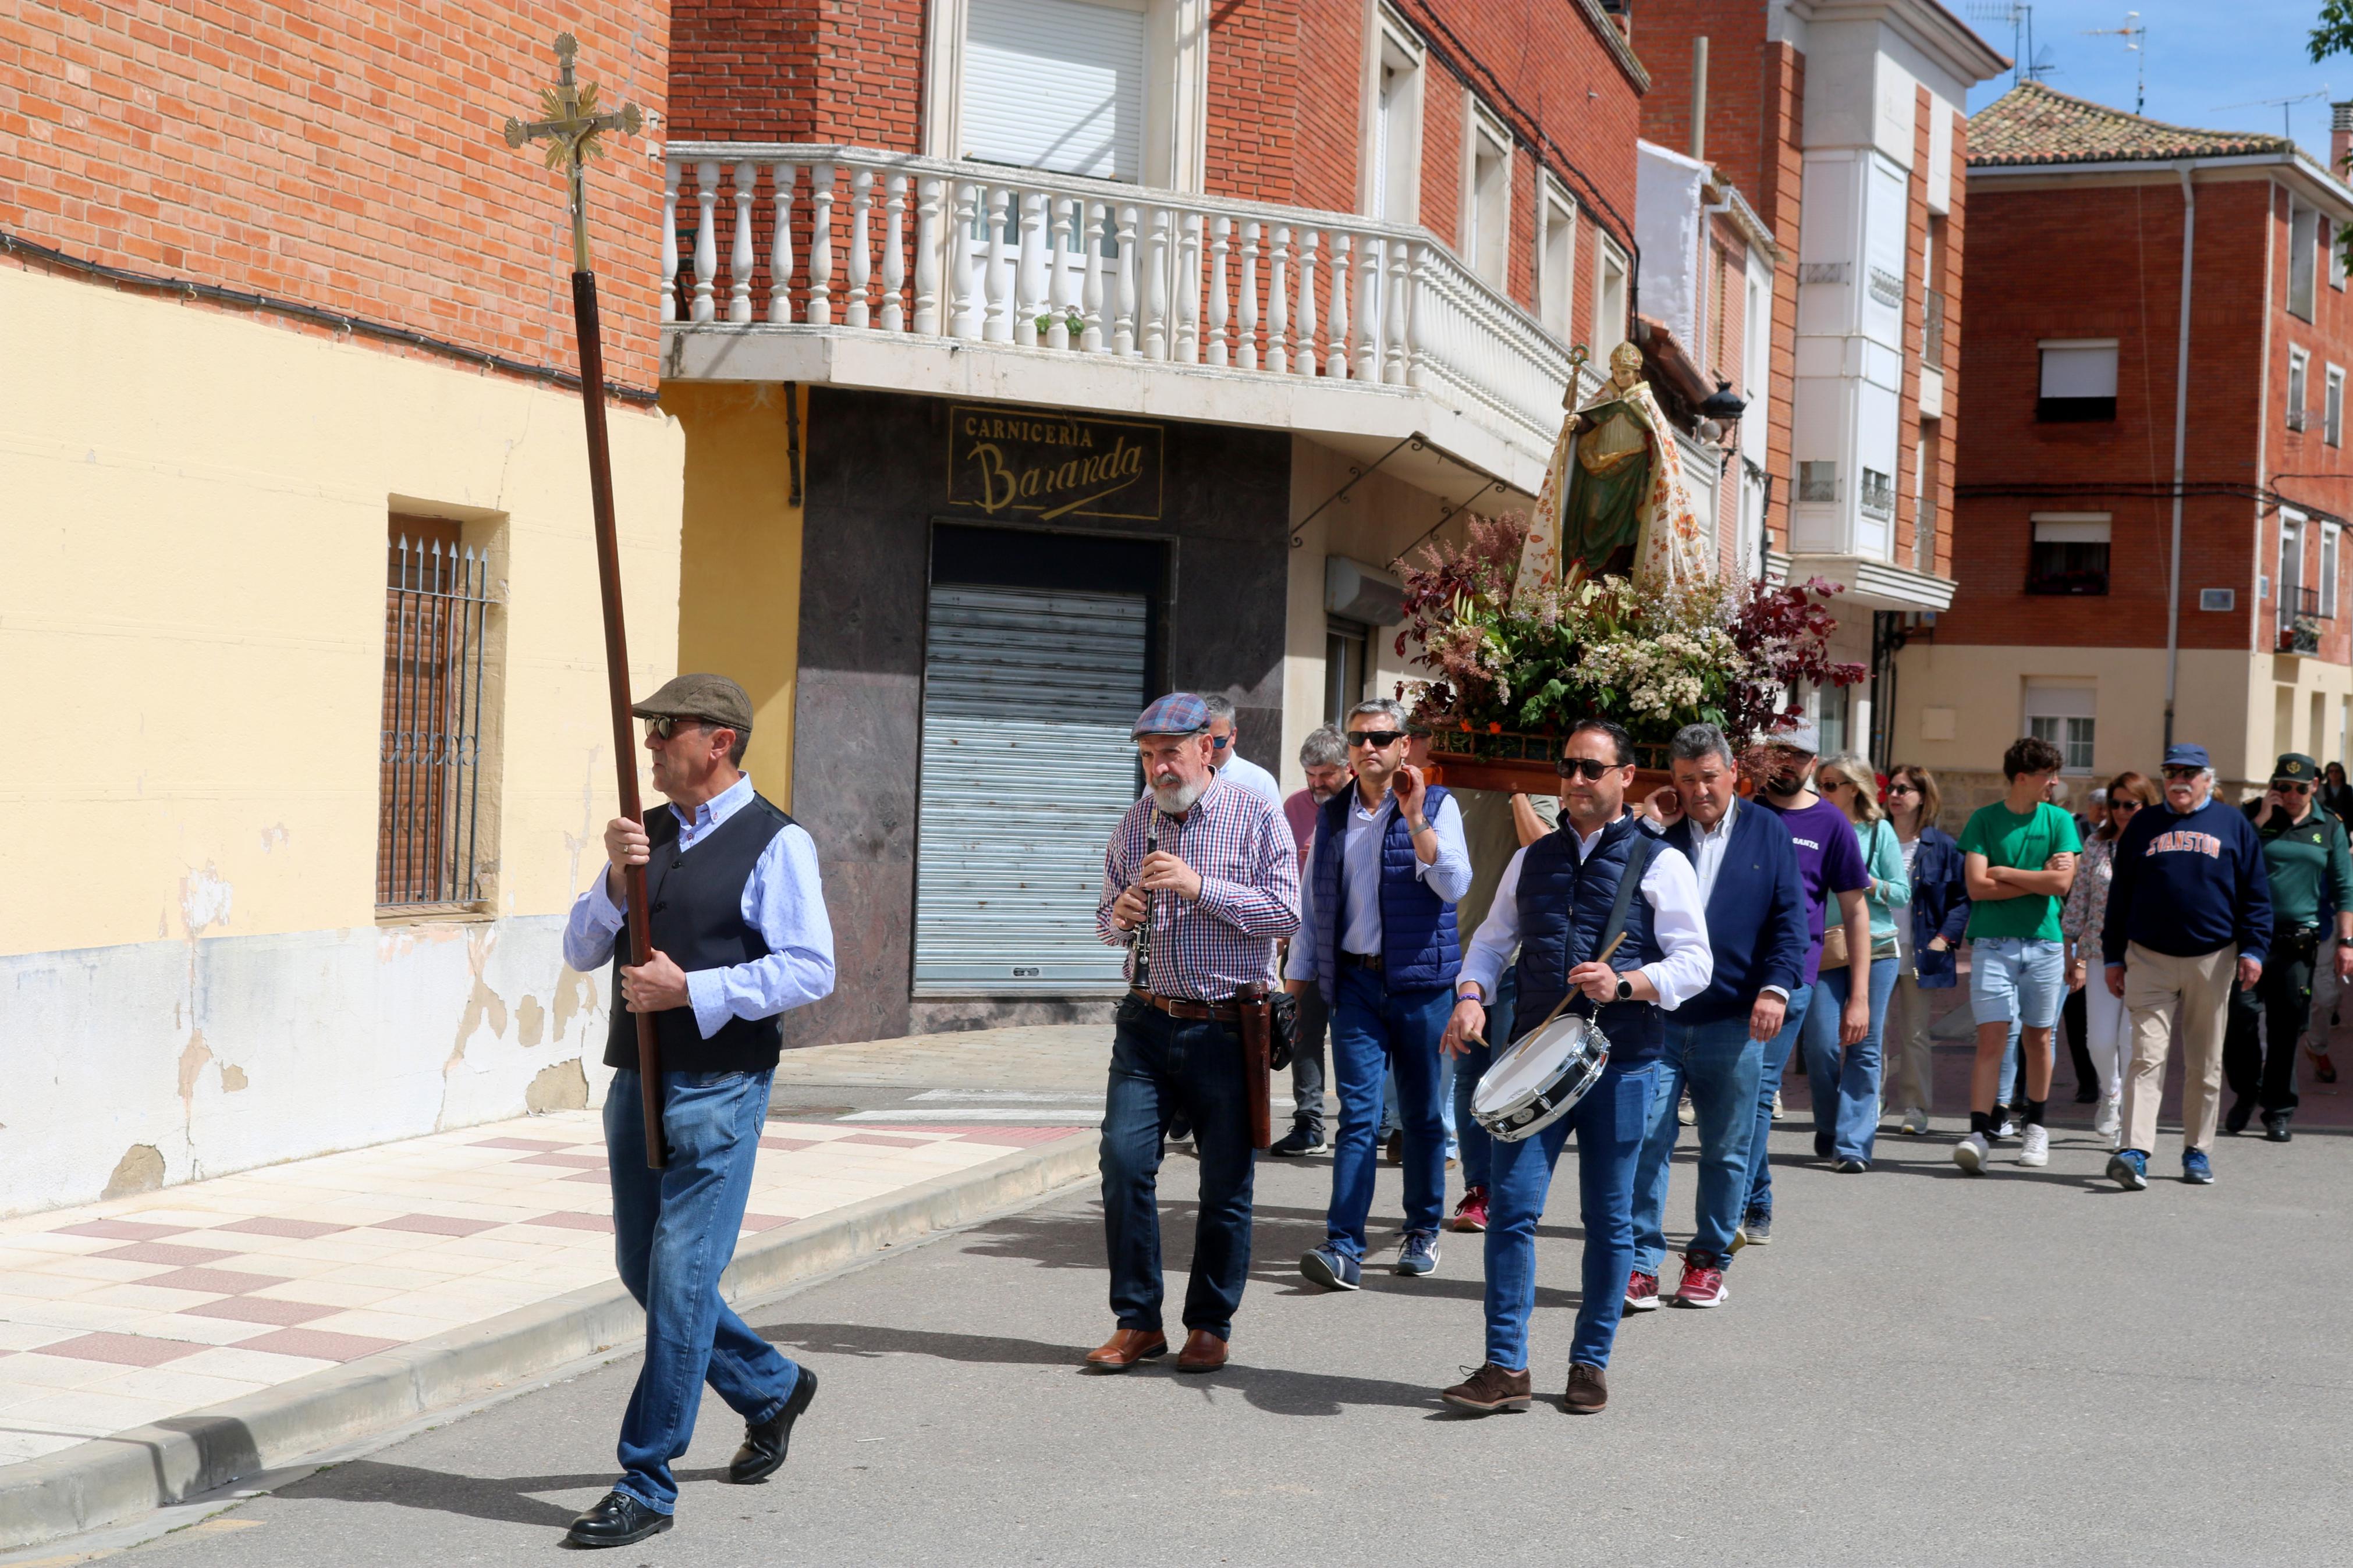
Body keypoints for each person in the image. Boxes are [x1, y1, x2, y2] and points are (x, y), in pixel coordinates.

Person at [557, 674, 836, 1549]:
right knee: (646, 1270)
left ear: (717, 740)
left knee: (679, 1279)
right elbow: (579, 948)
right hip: (635, 1081)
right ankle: (770, 1385)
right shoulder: (648, 832)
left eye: (662, 732)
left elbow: (809, 968)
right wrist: (612, 874)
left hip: (720, 1086)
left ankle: (647, 1475)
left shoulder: (777, 842)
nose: (648, 747)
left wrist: (693, 987)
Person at [1435, 719, 1713, 1414]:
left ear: (1626, 778)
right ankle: (1505, 1367)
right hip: (1534, 1058)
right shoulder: (1533, 859)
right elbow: (1491, 943)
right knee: (1510, 1214)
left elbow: (1695, 963)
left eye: (1592, 768)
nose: (1576, 780)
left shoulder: (1660, 861)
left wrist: (1624, 983)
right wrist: (1470, 996)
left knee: (1609, 1220)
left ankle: (1589, 1362)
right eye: (1568, 768)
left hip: (1621, 1064)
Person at [1090, 692, 1300, 1372]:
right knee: (1123, 1165)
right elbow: (1102, 922)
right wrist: (1121, 914)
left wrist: (1197, 884)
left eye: (1170, 754)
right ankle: (1136, 1321)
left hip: (1226, 1025)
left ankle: (1209, 1323)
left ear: (1206, 748)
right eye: (1148, 756)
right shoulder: (1133, 824)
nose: (1159, 769)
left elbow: (1283, 914)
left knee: (1225, 1185)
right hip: (1147, 1018)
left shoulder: (1254, 814)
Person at [1289, 699, 1472, 1288]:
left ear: (1403, 745)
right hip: (1356, 984)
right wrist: (1295, 984)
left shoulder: (1438, 805)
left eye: (1381, 738)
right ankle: (1343, 1243)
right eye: (1359, 738)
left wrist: (1414, 814)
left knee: (1419, 1116)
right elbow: (1314, 907)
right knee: (1358, 1118)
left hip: (1421, 985)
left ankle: (1422, 1228)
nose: (1369, 748)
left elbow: (1453, 884)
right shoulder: (1333, 814)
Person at [1625, 723, 1805, 1311]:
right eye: (1685, 779)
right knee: (1646, 1140)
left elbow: (1788, 922)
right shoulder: (1656, 832)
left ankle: (1707, 1261)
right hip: (1658, 1015)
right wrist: (1645, 821)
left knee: (1727, 1148)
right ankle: (1639, 1263)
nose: (1699, 789)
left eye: (1708, 776)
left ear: (1733, 773)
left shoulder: (1767, 831)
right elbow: (1615, 891)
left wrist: (1775, 990)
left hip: (1733, 1018)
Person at [2102, 743, 2272, 1190]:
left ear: (2207, 779)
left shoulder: (2232, 824)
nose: (2180, 779)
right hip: (2149, 958)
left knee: (2204, 1062)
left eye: (2189, 772)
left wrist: (2253, 949)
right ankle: (2134, 1151)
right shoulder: (2143, 824)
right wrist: (2113, 955)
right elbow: (2120, 894)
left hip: (2212, 959)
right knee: (2145, 1057)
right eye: (2172, 770)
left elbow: (2255, 894)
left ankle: (2196, 1151)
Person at [1736, 719, 1871, 1245]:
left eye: (1797, 755)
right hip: (1732, 977)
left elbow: (1856, 913)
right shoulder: (1743, 811)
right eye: (1778, 752)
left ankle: (1737, 1210)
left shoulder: (1831, 823)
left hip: (1794, 979)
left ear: (1814, 764)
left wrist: (1857, 998)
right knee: (1737, 1093)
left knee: (1756, 1091)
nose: (1785, 762)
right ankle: (1757, 1197)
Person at [1950, 737, 2079, 1175]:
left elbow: (2062, 886)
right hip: (1991, 943)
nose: (2054, 783)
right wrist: (2038, 876)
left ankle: (2036, 1127)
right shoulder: (1984, 820)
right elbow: (1974, 886)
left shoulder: (2060, 820)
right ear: (2023, 777)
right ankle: (1977, 1131)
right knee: (1990, 1038)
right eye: (2048, 775)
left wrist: (2003, 872)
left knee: (2038, 1037)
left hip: (2044, 943)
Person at [2222, 752, 2353, 1143]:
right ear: (2271, 786)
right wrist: (2259, 820)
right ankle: (2247, 1091)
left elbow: (2344, 889)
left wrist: (2346, 942)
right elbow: (2225, 862)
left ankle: (2277, 1110)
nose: (2290, 794)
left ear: (2314, 786)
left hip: (2296, 941)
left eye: (2299, 787)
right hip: (2247, 938)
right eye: (2282, 786)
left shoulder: (2329, 826)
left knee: (2285, 1027)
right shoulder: (2250, 817)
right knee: (2240, 1018)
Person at [1804, 756, 1908, 1172]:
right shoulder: (1815, 826)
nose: (1823, 791)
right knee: (1819, 1043)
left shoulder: (1878, 831)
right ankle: (1829, 1124)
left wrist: (1864, 881)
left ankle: (1853, 1143)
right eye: (1821, 784)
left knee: (1864, 1045)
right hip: (1825, 948)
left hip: (1877, 947)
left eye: (1831, 785)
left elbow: (1901, 893)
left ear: (1854, 788)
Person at [2060, 771, 2157, 1147]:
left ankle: (2129, 1124)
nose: (2119, 811)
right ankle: (2110, 1092)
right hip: (2100, 952)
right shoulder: (2096, 844)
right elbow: (2079, 898)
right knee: (2098, 1041)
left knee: (2131, 1042)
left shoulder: (2157, 843)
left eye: (2129, 804)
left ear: (2144, 804)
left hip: (2146, 956)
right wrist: (2072, 951)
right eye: (2114, 804)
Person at [1271, 724, 1351, 1158]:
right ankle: (1309, 1122)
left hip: (1355, 946)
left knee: (1352, 1036)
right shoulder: (1295, 806)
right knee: (1301, 1030)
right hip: (1305, 940)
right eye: (1310, 775)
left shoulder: (1365, 804)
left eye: (1326, 775)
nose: (1317, 785)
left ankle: (1371, 1120)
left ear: (1348, 768)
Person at [1882, 765, 1967, 1135]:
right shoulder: (1873, 837)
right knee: (1872, 1031)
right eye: (1892, 788)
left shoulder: (1941, 846)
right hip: (1877, 950)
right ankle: (1870, 1102)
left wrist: (1941, 940)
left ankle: (1915, 1107)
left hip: (1919, 953)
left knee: (1915, 1033)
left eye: (1904, 789)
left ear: (1922, 796)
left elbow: (1962, 900)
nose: (1896, 795)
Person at [2060, 791, 2110, 1104]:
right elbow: (2076, 898)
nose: (2106, 810)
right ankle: (2087, 1081)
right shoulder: (2078, 832)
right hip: (2082, 939)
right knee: (2077, 1017)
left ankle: (2110, 1086)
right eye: (2102, 804)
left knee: (2109, 1026)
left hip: (2116, 947)